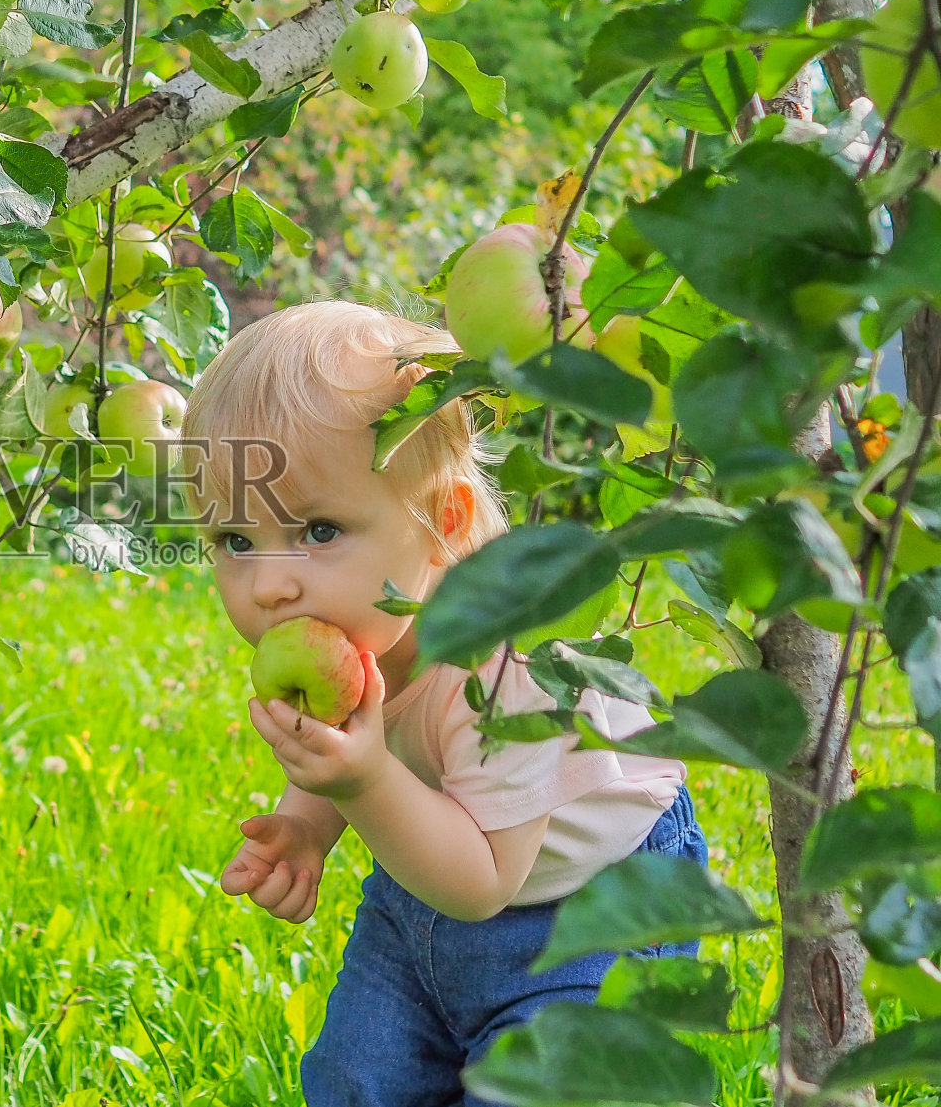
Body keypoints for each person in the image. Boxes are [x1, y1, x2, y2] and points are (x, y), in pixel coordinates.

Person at [177, 300, 708, 1107]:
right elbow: (352, 749)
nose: (270, 583)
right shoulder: (361, 635)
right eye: (236, 542)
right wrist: (308, 823)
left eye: (318, 530)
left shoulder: (507, 667)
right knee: (354, 1078)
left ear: (443, 523)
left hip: (588, 909)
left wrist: (361, 786)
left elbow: (484, 881)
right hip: (418, 894)